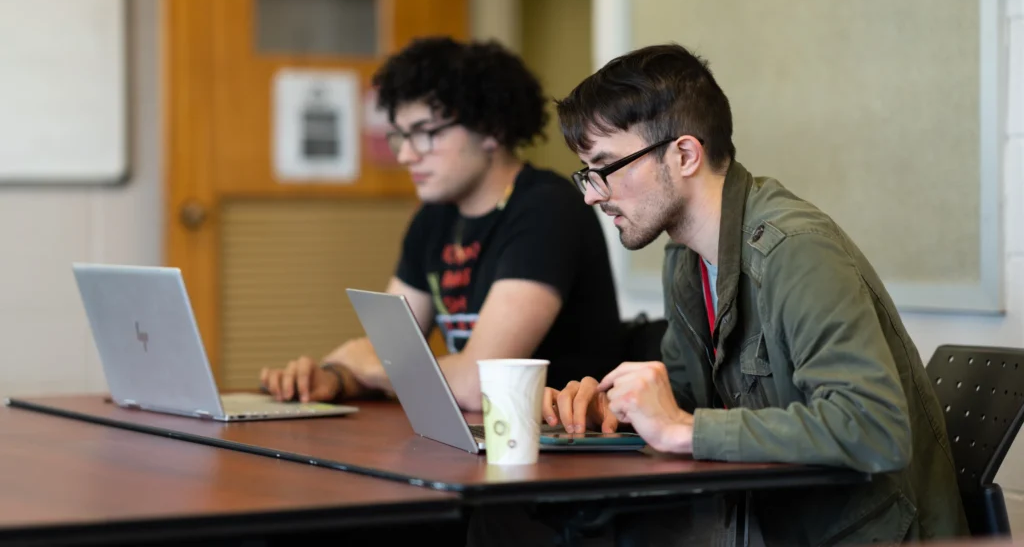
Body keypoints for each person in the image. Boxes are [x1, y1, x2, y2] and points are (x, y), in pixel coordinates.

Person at [526, 43, 968, 544]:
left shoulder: (795, 251)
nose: (591, 194)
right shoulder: (686, 259)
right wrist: (615, 409)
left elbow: (874, 426)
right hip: (770, 525)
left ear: (685, 154)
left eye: (604, 168)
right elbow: (688, 398)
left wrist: (682, 430)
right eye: (587, 173)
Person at [259, 36, 623, 412]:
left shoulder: (547, 208)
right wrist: (334, 378)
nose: (406, 154)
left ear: (491, 128)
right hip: (476, 439)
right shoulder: (434, 218)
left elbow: (478, 383)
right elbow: (388, 352)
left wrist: (367, 362)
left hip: (563, 444)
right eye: (401, 135)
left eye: (426, 133)